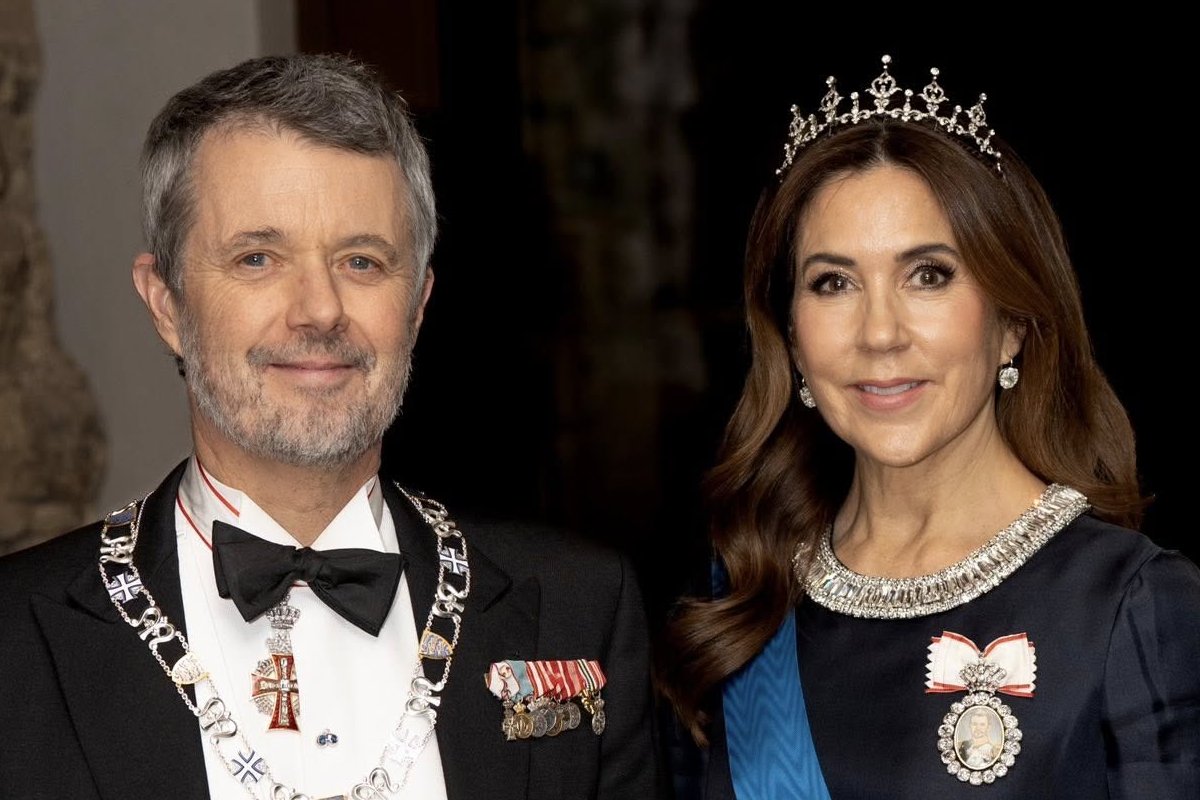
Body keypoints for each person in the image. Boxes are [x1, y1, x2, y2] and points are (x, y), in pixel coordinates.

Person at [0, 53, 661, 800]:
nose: (319, 310)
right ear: (167, 304)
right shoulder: (15, 634)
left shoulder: (578, 607)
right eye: (258, 258)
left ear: (417, 305)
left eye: (362, 261)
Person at [660, 55, 1200, 798]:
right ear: (792, 337)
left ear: (1012, 321)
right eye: (833, 283)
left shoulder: (1132, 606)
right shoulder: (737, 613)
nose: (880, 333)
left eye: (929, 275)